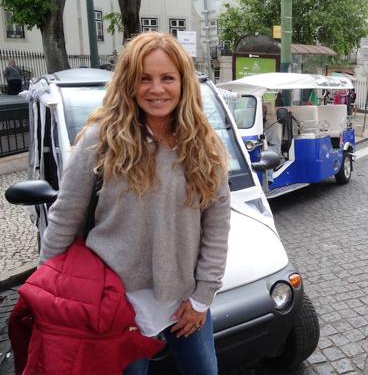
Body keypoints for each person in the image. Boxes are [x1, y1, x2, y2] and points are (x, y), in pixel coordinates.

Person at [40, 31, 230, 375]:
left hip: (183, 300)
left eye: (167, 78)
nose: (156, 89)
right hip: (113, 304)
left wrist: (203, 297)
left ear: (183, 83)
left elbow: (217, 226)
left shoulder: (206, 145)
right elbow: (64, 219)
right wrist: (47, 292)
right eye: (145, 78)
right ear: (129, 83)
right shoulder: (101, 140)